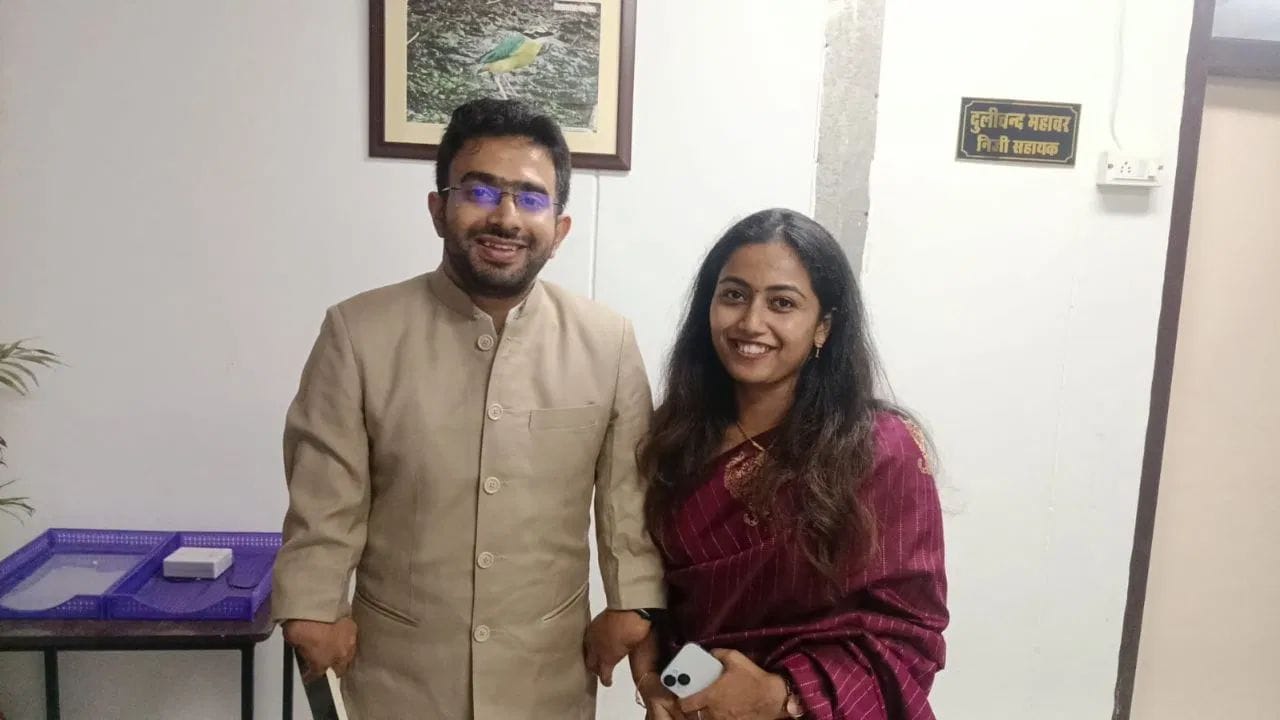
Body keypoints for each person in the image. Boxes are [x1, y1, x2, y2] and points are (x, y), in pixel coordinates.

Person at [271, 97, 664, 720]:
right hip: (401, 673)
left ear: (559, 230)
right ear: (438, 209)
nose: (505, 217)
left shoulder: (606, 341)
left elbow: (628, 496)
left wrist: (631, 601)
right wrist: (314, 604)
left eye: (531, 198)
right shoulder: (358, 332)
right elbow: (325, 494)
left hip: (546, 671)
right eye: (479, 192)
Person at [625, 209, 949, 719]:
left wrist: (781, 696)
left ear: (824, 326)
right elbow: (656, 593)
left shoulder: (880, 450)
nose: (751, 322)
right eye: (733, 295)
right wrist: (653, 680)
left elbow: (910, 634)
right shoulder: (675, 437)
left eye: (782, 303)